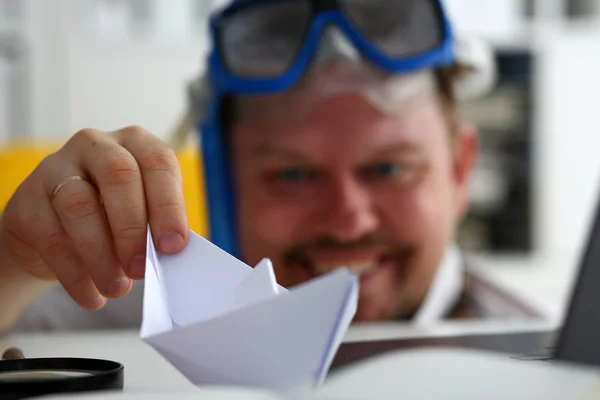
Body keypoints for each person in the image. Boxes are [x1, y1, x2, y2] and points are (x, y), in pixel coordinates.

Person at [0, 0, 542, 333]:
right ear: (221, 182)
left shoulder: (546, 360)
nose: (348, 222)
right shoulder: (125, 309)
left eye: (389, 170)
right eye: (293, 175)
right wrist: (10, 265)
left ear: (460, 169)